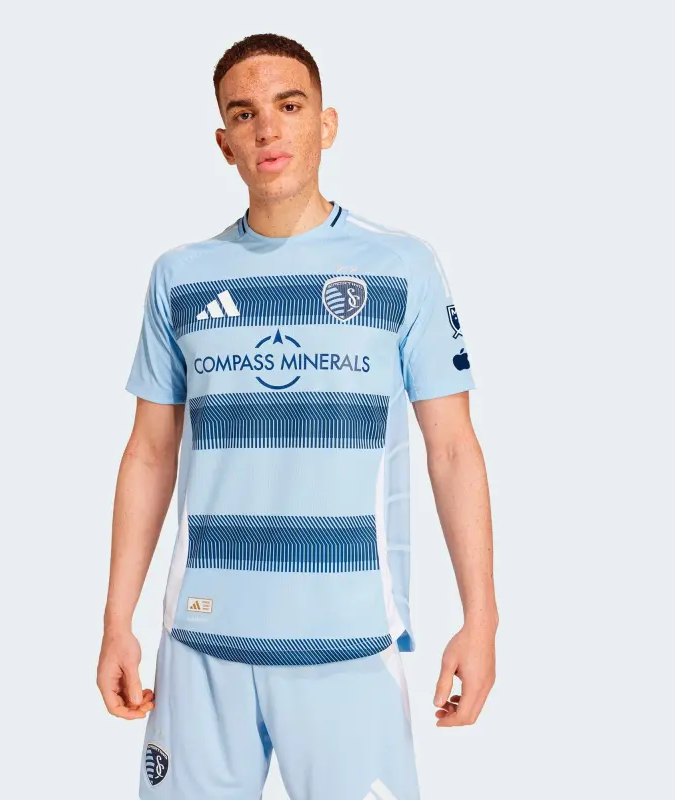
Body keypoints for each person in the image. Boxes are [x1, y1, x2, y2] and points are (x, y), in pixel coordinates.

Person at [97, 32, 497, 800]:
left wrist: (481, 619)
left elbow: (453, 448)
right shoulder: (180, 276)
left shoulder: (401, 266)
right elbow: (148, 452)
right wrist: (119, 621)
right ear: (224, 143)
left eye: (289, 105)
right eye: (244, 114)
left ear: (327, 123)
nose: (267, 129)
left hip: (350, 643)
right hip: (202, 639)